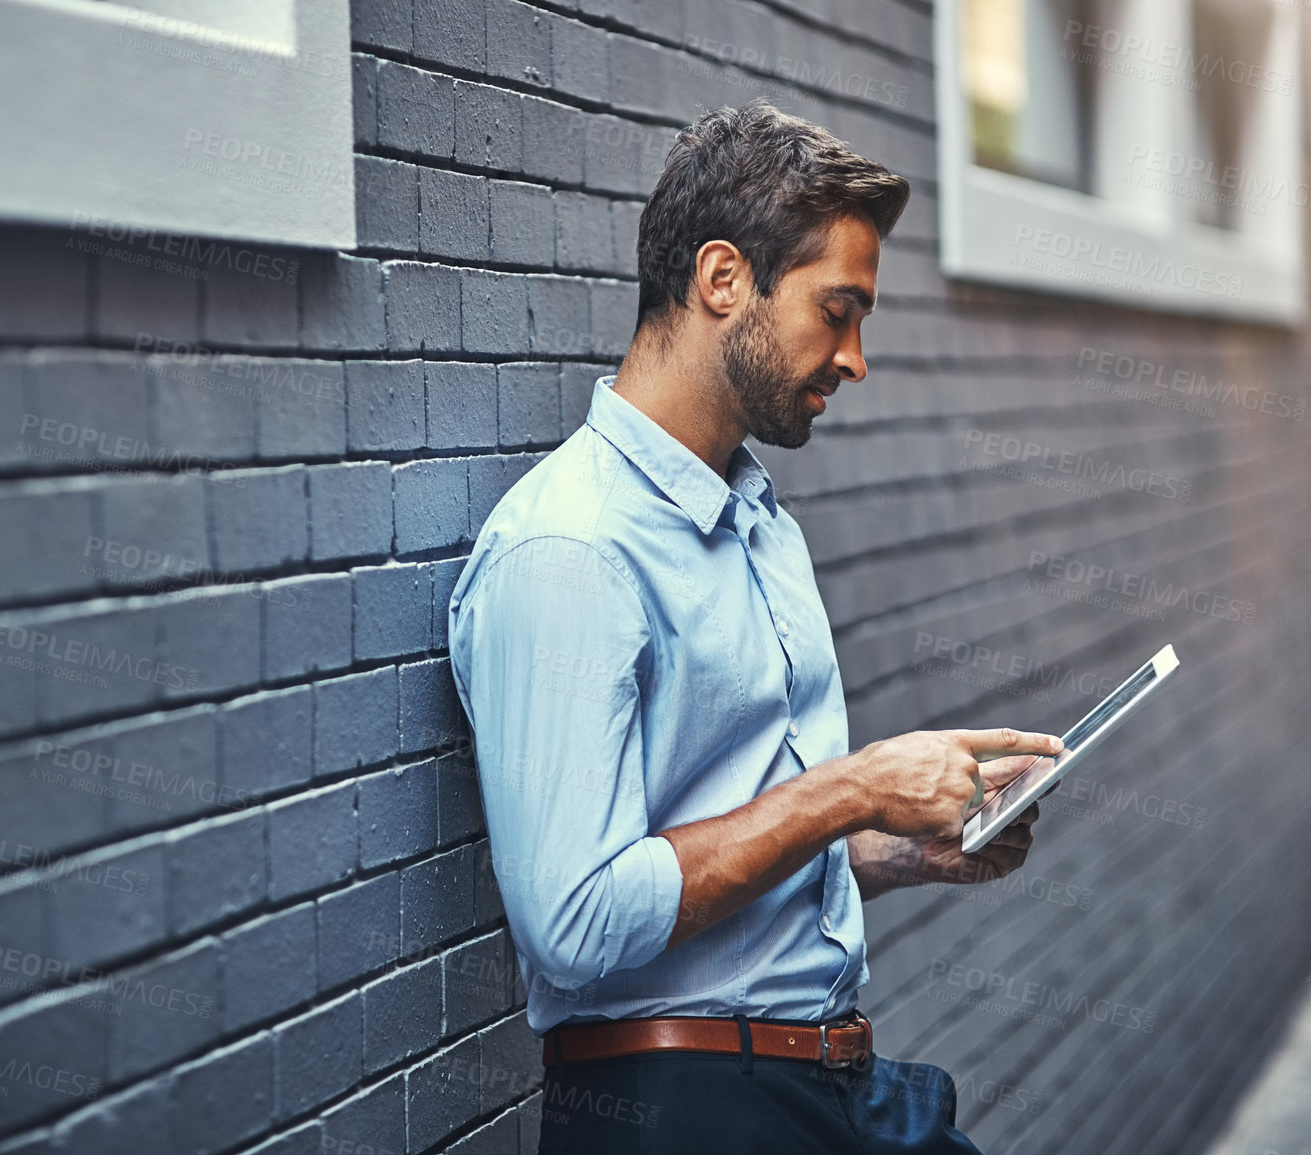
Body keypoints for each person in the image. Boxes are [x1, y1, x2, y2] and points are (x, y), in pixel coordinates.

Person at [447, 99, 1061, 1154]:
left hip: (825, 1093)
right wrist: (853, 787)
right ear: (723, 280)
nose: (856, 358)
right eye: (839, 310)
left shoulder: (758, 519)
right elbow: (578, 921)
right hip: (681, 1113)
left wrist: (898, 849)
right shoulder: (570, 549)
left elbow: (728, 845)